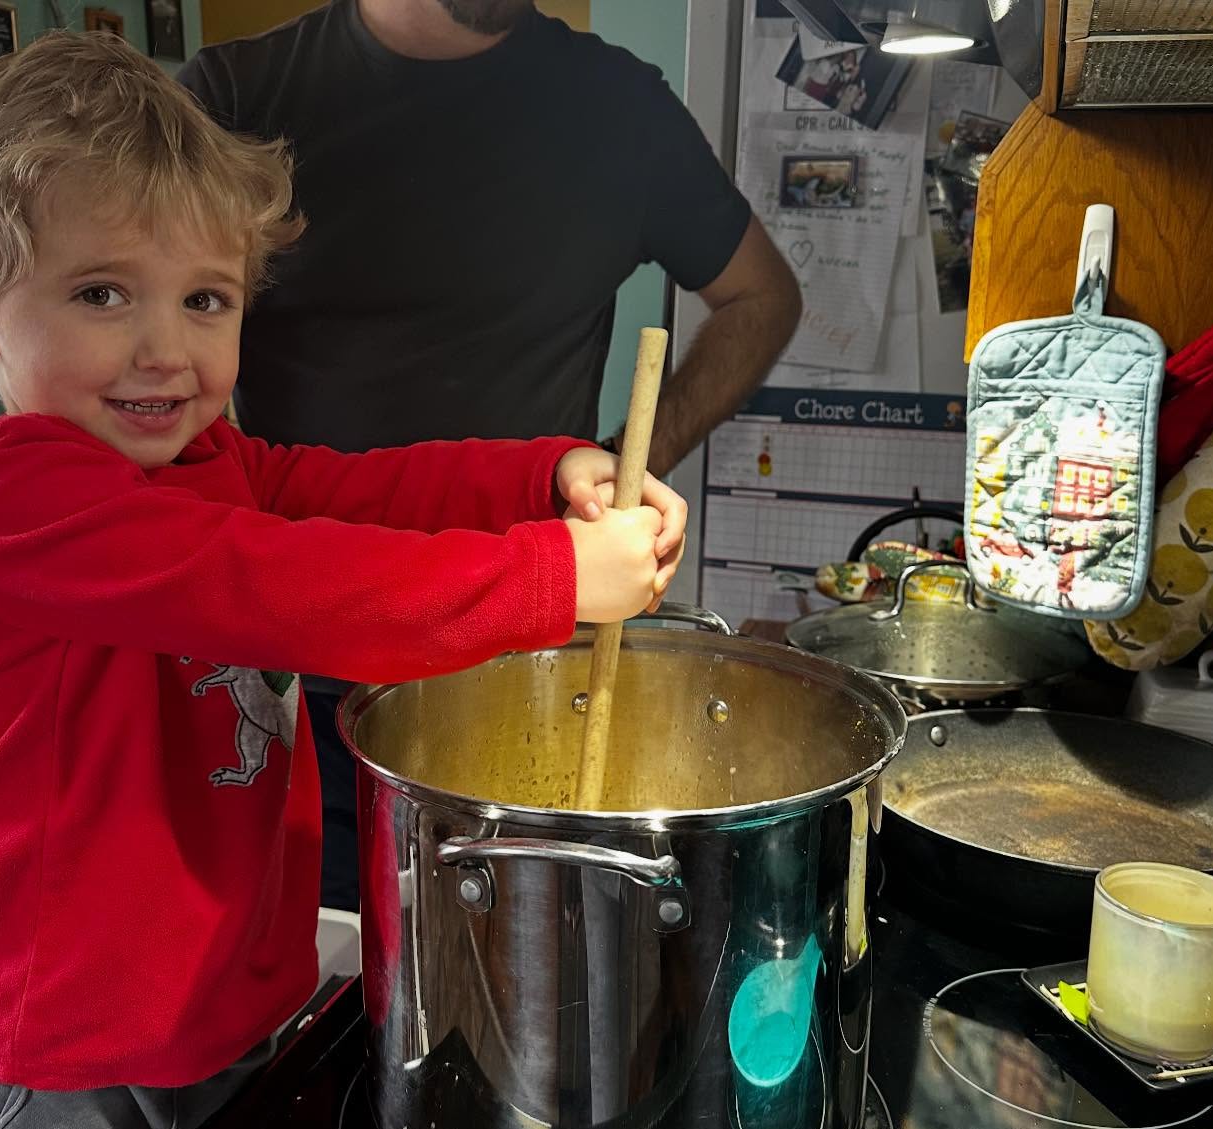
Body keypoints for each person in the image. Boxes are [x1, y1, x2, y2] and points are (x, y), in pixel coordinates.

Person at [0, 30, 686, 1129]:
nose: (165, 348)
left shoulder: (212, 463)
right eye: (102, 293)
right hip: (77, 1060)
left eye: (204, 300)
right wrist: (554, 578)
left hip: (232, 1010)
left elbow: (360, 495)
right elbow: (282, 587)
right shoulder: (13, 492)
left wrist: (537, 473)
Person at [180, 0, 802, 910]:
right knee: (326, 1002)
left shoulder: (616, 106)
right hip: (289, 684)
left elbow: (761, 295)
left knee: (524, 991)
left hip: (527, 675)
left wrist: (617, 465)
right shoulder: (232, 98)